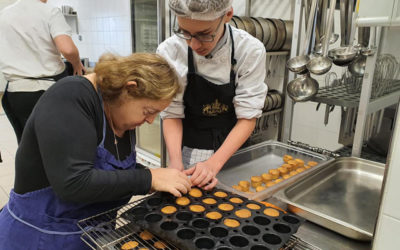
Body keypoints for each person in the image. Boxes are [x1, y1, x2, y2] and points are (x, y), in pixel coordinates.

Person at [0, 53, 191, 249]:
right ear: (129, 88)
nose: (151, 120)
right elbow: (73, 182)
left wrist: (163, 179)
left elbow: (108, 170)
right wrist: (148, 178)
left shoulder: (120, 114)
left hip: (95, 237)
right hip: (41, 237)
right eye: (148, 112)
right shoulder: (71, 97)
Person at [157, 0, 268, 190]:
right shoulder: (171, 51)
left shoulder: (249, 50)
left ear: (228, 15)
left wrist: (213, 164)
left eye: (205, 34)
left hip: (234, 146)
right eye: (185, 32)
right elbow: (172, 113)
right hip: (190, 142)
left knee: (236, 202)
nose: (193, 44)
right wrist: (175, 162)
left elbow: (247, 117)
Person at [0, 0, 85, 143]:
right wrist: (76, 63)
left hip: (16, 94)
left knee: (27, 147)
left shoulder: (4, 14)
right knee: (55, 146)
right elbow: (68, 49)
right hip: (47, 92)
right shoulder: (49, 12)